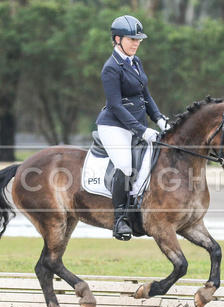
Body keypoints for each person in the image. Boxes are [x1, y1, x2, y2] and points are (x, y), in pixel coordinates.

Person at [95, 15, 170, 241]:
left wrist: (159, 119)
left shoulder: (135, 62)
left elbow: (145, 96)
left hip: (135, 125)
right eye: (131, 39)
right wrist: (141, 130)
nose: (136, 43)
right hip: (113, 126)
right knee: (126, 167)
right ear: (117, 39)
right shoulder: (111, 68)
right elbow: (116, 106)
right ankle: (120, 220)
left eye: (139, 40)